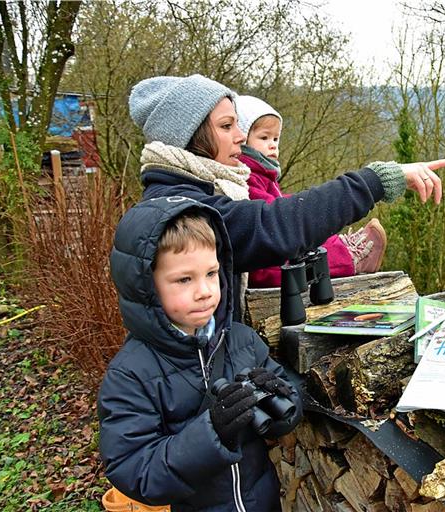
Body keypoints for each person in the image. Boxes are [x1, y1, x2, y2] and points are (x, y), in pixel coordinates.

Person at [129, 74, 445, 320]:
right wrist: (376, 181)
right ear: (192, 136)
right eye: (227, 126)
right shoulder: (187, 212)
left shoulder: (184, 193)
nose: (241, 136)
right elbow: (276, 226)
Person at [98, 196, 302, 511]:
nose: (205, 290)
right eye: (184, 279)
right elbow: (136, 472)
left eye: (211, 274)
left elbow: (288, 411)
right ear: (146, 287)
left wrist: (282, 399)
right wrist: (212, 432)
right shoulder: (132, 374)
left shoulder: (242, 340)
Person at [234, 94, 386, 287]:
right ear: (242, 139)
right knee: (304, 251)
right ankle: (349, 258)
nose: (272, 144)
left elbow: (279, 204)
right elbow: (274, 219)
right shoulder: (248, 177)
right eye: (264, 138)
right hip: (265, 267)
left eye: (276, 139)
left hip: (270, 250)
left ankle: (341, 245)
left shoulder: (263, 174)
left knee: (311, 228)